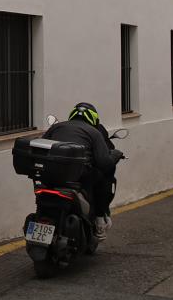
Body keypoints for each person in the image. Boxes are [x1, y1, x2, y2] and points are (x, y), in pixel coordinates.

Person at [41, 102, 124, 238]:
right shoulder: (94, 132)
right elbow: (103, 162)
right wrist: (115, 155)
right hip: (78, 176)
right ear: (94, 118)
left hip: (50, 175)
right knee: (105, 174)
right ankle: (99, 219)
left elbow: (41, 145)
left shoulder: (56, 127)